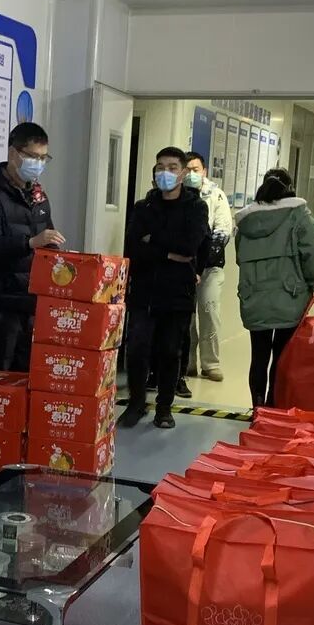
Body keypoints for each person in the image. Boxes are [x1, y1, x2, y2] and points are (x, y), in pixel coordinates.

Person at [120, 147, 210, 430]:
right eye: (160, 167)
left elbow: (190, 246)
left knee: (170, 351)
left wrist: (153, 240)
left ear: (182, 173)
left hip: (177, 291)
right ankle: (136, 403)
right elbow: (132, 248)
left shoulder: (196, 207)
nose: (165, 173)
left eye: (172, 167)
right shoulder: (143, 207)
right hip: (144, 290)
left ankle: (164, 407)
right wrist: (168, 252)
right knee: (137, 349)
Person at [0, 123, 63, 375]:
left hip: (30, 306)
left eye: (43, 158)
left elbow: (48, 240)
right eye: (33, 156)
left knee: (26, 381)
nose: (38, 164)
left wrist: (60, 257)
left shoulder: (39, 197)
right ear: (13, 153)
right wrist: (28, 242)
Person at [235, 167, 314, 408]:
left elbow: (240, 257)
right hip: (290, 296)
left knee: (258, 357)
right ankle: (274, 408)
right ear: (290, 188)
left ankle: (258, 408)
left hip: (254, 297)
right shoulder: (300, 215)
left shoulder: (246, 221)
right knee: (282, 356)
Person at [180, 152, 233, 390]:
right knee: (186, 315)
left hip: (210, 267)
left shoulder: (216, 196)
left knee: (209, 311)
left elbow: (222, 232)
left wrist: (201, 262)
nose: (191, 174)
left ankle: (211, 363)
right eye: (187, 169)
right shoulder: (177, 195)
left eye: (196, 169)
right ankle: (188, 362)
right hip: (184, 267)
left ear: (204, 171)